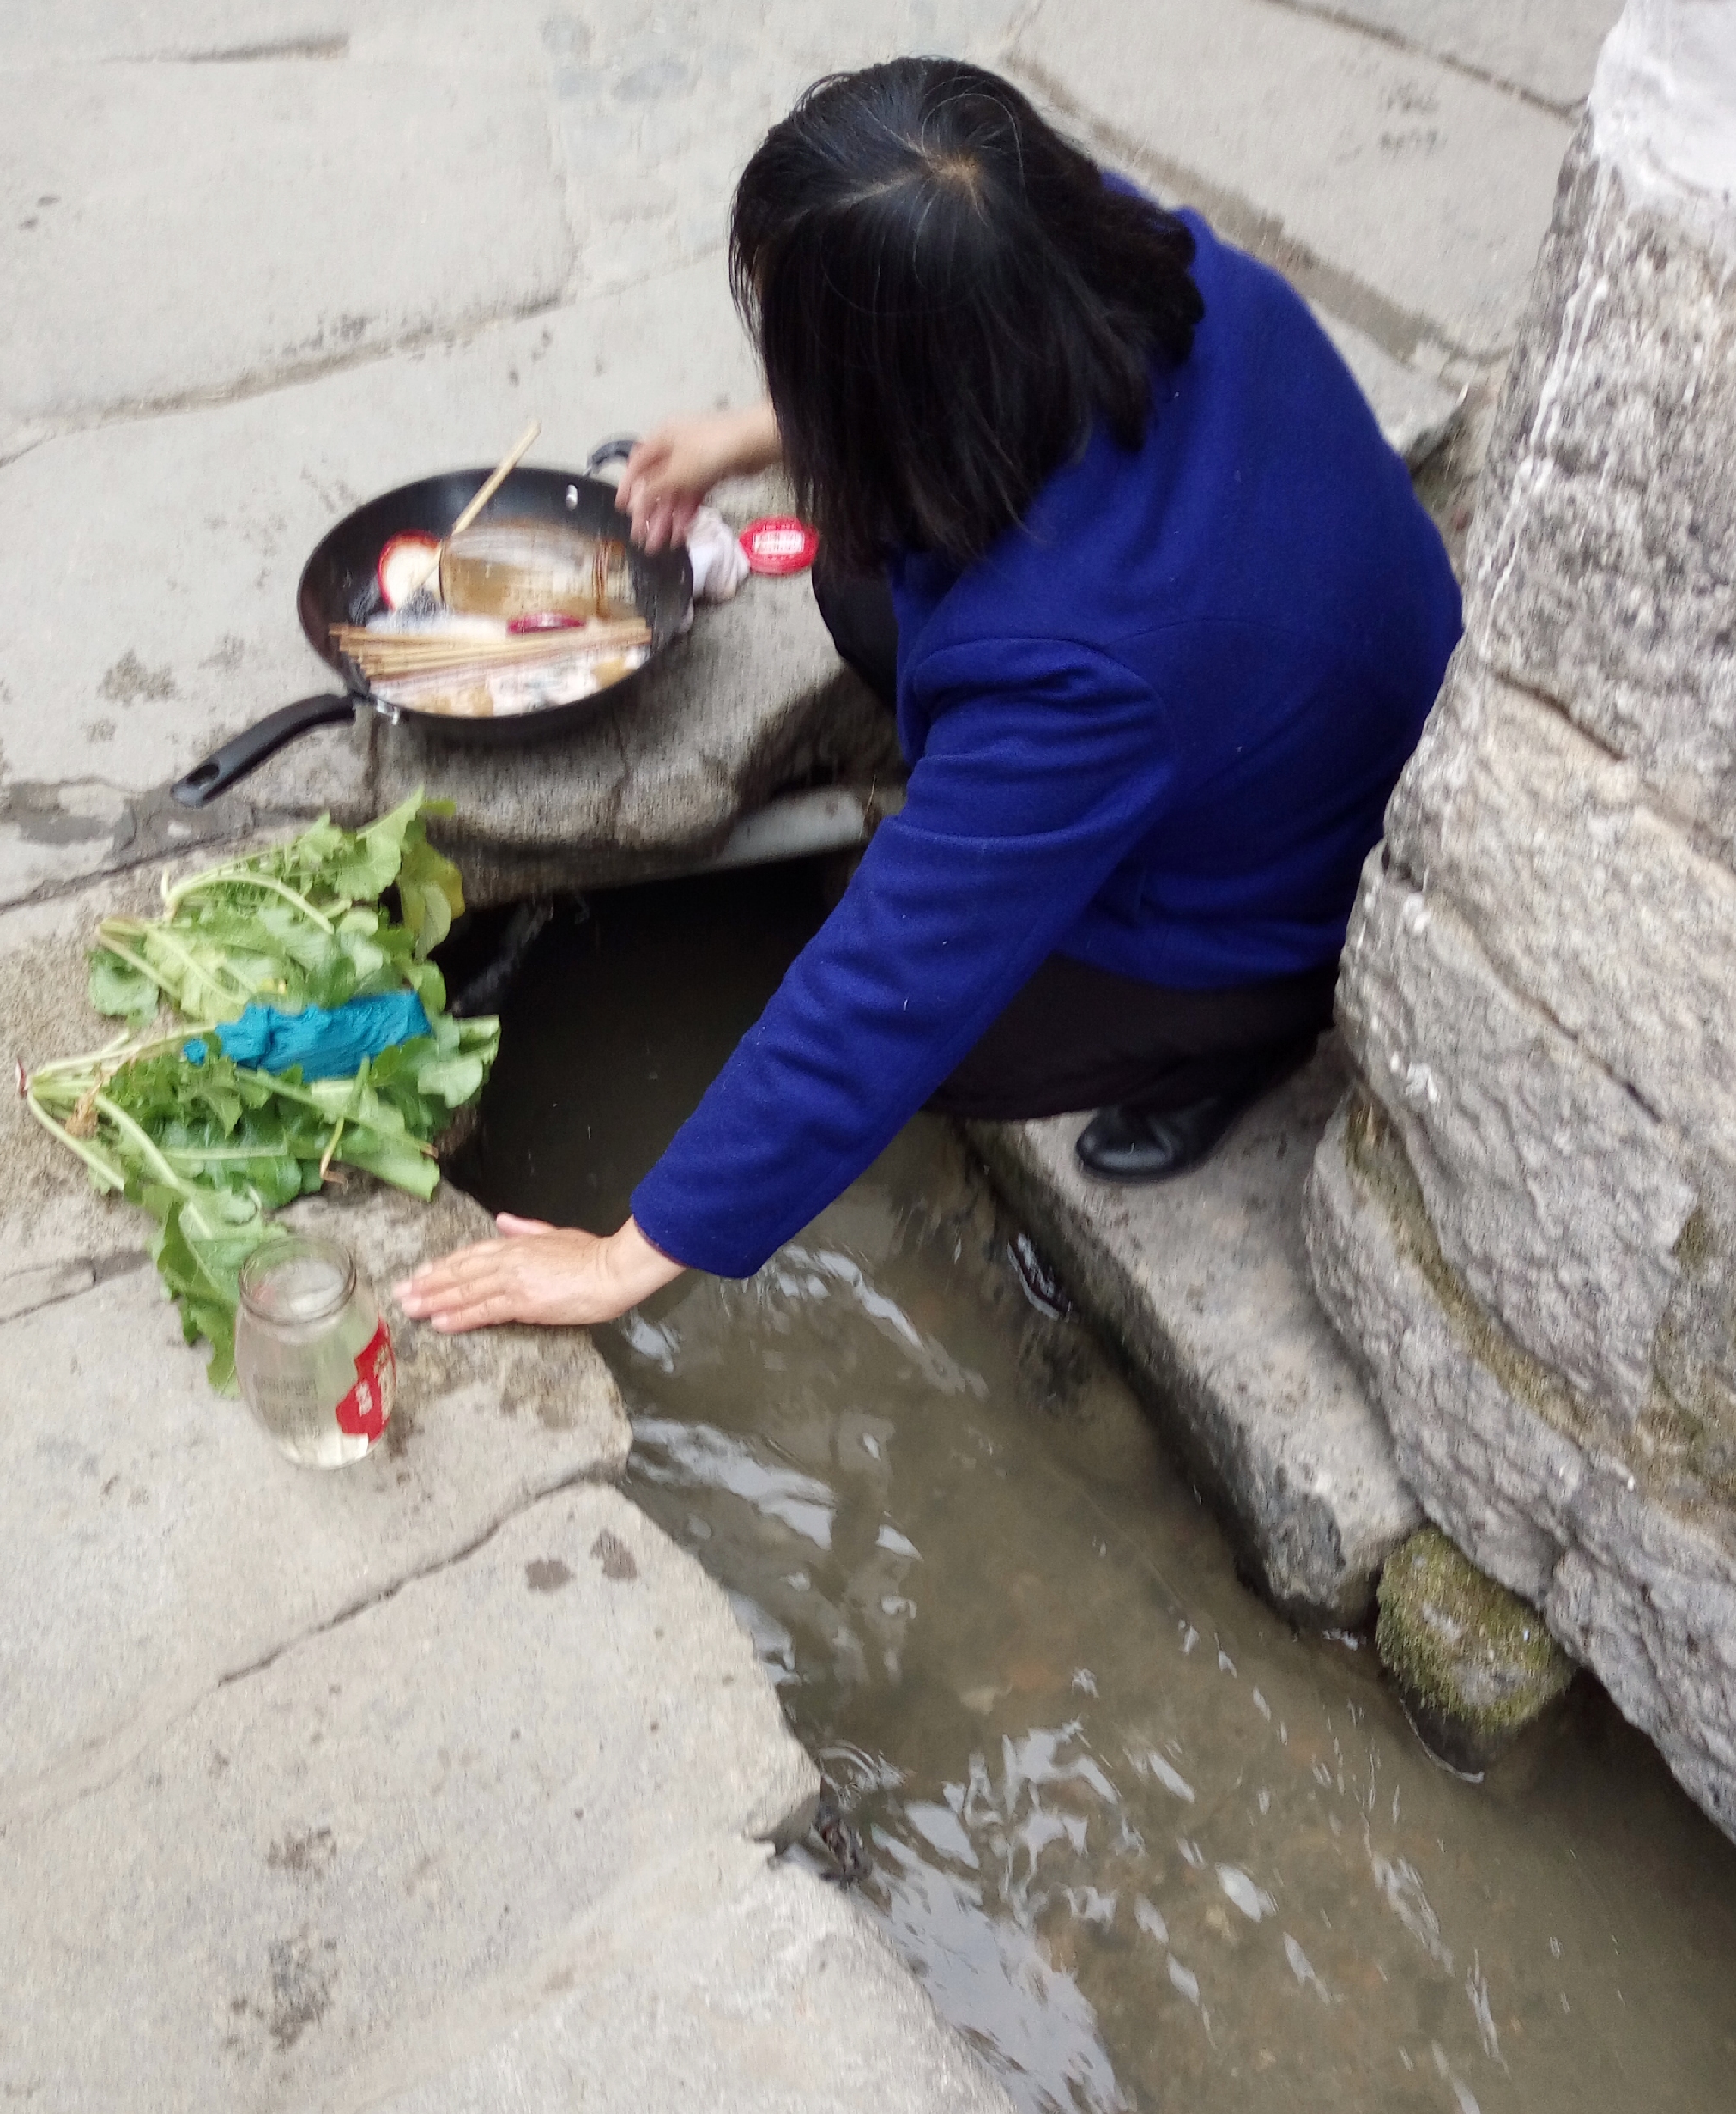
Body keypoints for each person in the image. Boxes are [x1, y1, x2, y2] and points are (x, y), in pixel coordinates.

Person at [397, 57, 1461, 1342]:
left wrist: (628, 1254)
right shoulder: (1104, 254)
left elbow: (882, 994)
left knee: (951, 1048)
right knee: (857, 577)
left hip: (1276, 887)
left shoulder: (1085, 667)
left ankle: (1236, 1040)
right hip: (1252, 692)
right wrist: (751, 435)